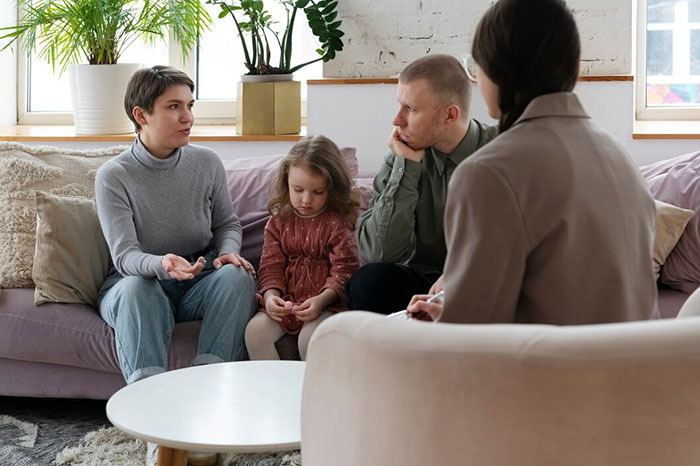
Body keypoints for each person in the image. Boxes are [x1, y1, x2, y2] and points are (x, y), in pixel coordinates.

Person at [407, 0, 659, 324]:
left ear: (497, 70)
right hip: (637, 370)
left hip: (548, 373)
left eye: (476, 65)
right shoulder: (620, 158)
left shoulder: (488, 172)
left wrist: (444, 318)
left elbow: (469, 336)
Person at [95, 66, 257, 384]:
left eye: (190, 105)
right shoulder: (114, 176)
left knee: (238, 276)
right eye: (174, 107)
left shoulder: (207, 162)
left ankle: (211, 387)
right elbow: (125, 256)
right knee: (137, 288)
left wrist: (228, 252)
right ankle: (149, 401)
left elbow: (227, 224)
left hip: (200, 279)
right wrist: (162, 264)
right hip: (140, 282)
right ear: (141, 115)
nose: (188, 118)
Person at [346, 54, 498, 314]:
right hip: (423, 287)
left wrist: (457, 273)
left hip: (484, 282)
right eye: (399, 106)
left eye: (411, 109)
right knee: (367, 282)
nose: (397, 120)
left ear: (450, 115)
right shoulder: (402, 155)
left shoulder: (502, 151)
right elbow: (382, 252)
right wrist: (406, 168)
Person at [244, 135, 360, 360]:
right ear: (286, 183)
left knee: (311, 338)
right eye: (298, 190)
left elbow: (344, 271)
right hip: (287, 301)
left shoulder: (337, 223)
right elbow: (270, 268)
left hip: (326, 304)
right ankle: (273, 391)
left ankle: (309, 392)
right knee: (255, 332)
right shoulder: (278, 222)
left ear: (332, 188)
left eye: (318, 192)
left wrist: (322, 300)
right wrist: (270, 297)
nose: (306, 199)